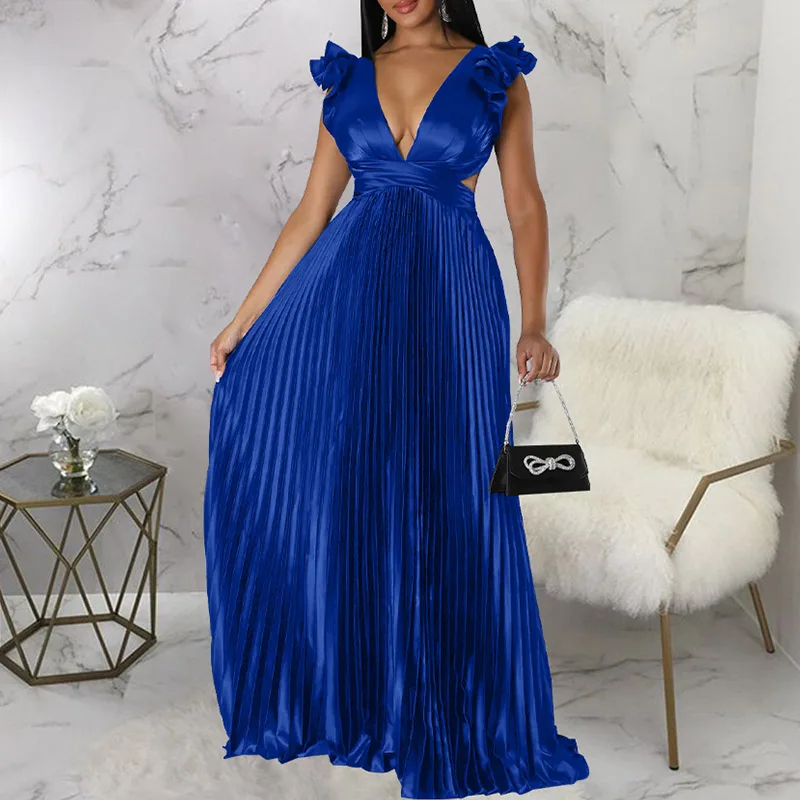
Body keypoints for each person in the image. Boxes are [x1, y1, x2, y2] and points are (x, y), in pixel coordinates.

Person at [203, 1, 590, 797]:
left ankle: (454, 699)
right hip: (351, 296)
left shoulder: (495, 74)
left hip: (454, 295)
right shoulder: (348, 79)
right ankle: (361, 691)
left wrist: (535, 321)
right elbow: (313, 212)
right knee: (354, 483)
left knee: (458, 491)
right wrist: (242, 322)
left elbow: (524, 205)